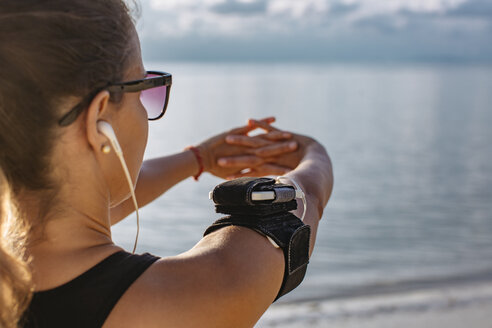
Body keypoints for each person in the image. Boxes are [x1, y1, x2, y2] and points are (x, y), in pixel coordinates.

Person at [0, 0, 333, 327]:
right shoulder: (179, 300)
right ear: (100, 116)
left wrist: (199, 158)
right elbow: (297, 212)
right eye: (142, 90)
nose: (146, 109)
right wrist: (311, 153)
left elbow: (86, 199)